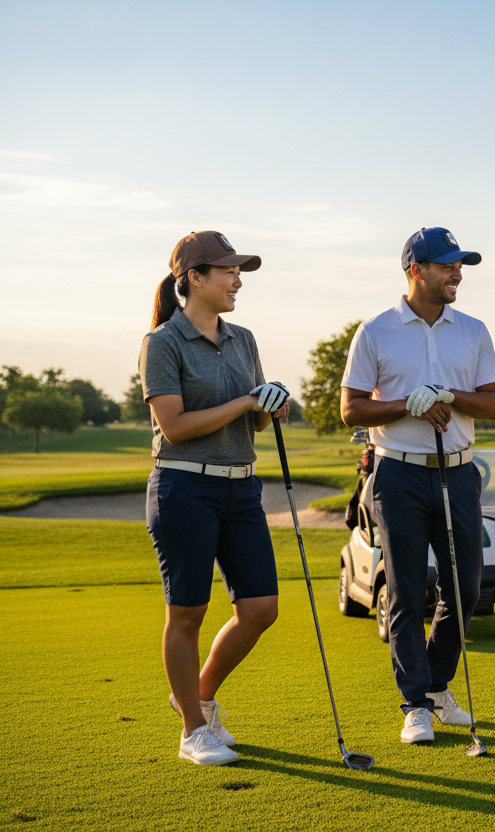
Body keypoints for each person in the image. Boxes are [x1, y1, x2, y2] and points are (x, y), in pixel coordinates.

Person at [341, 227, 495, 746]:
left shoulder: (474, 330)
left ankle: (437, 686)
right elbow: (351, 408)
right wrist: (405, 402)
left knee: (466, 589)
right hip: (399, 473)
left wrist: (449, 395)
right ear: (416, 270)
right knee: (407, 591)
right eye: (447, 265)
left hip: (458, 472)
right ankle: (414, 703)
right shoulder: (376, 331)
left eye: (460, 265)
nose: (457, 273)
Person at [140, 231, 291, 766]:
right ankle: (192, 729)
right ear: (194, 278)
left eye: (238, 271)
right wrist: (248, 399)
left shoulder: (243, 338)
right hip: (184, 486)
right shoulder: (163, 342)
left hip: (241, 486)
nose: (237, 280)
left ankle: (197, 697)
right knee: (188, 613)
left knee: (260, 608)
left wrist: (270, 403)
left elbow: (253, 412)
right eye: (227, 271)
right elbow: (175, 426)